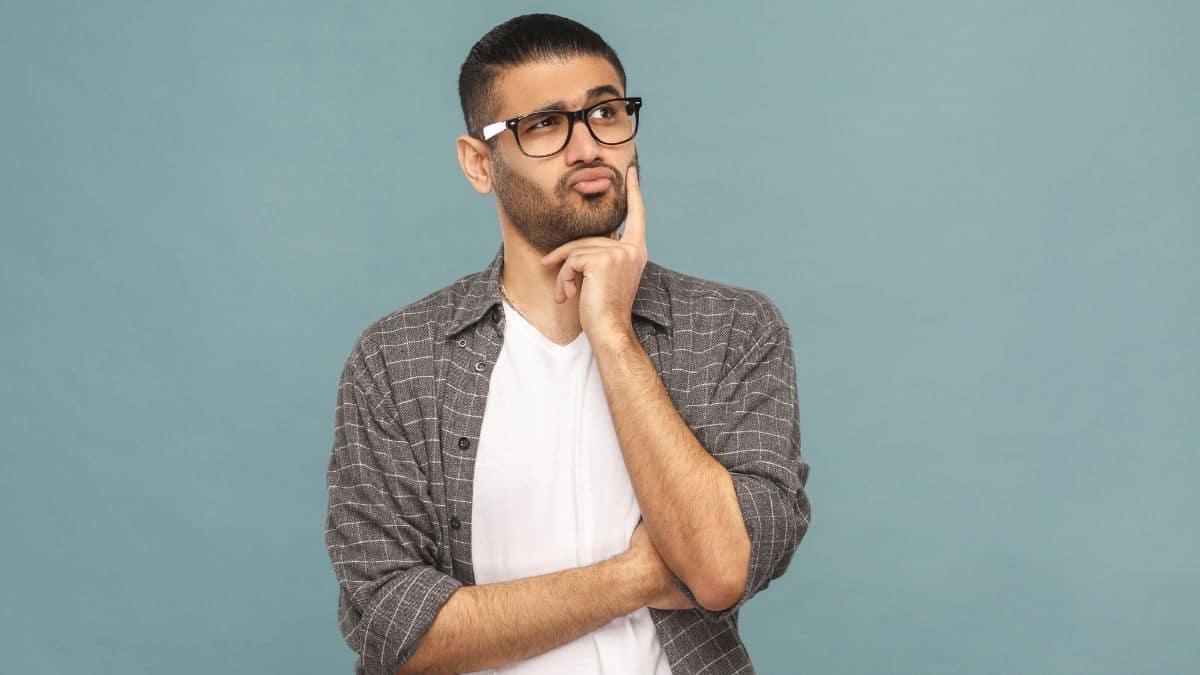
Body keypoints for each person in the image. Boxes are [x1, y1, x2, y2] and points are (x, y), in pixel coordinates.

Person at [324, 13, 811, 675]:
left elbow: (722, 567)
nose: (588, 146)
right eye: (545, 125)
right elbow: (398, 630)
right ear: (479, 163)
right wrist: (632, 577)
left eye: (605, 112)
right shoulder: (398, 357)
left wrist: (612, 333)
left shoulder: (733, 329)